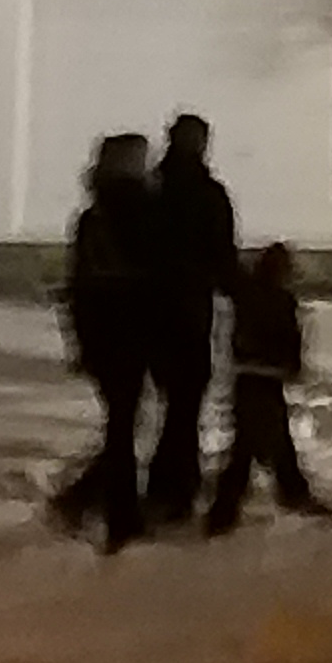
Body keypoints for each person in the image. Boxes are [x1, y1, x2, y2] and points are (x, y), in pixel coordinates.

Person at [53, 133, 167, 547]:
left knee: (121, 423)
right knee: (123, 426)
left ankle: (92, 501)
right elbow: (156, 276)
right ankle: (113, 512)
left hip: (102, 331)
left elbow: (80, 284)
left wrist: (80, 339)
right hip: (132, 328)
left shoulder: (93, 216)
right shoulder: (143, 212)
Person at [144, 112, 239, 510]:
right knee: (186, 399)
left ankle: (172, 481)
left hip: (152, 307)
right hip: (189, 307)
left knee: (173, 398)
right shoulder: (207, 194)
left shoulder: (152, 192)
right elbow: (221, 254)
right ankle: (174, 484)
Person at [204, 240, 326, 531]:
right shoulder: (281, 300)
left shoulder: (246, 294)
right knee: (257, 443)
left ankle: (236, 504)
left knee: (253, 441)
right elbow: (287, 337)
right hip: (268, 376)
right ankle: (232, 506)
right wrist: (292, 365)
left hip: (248, 374)